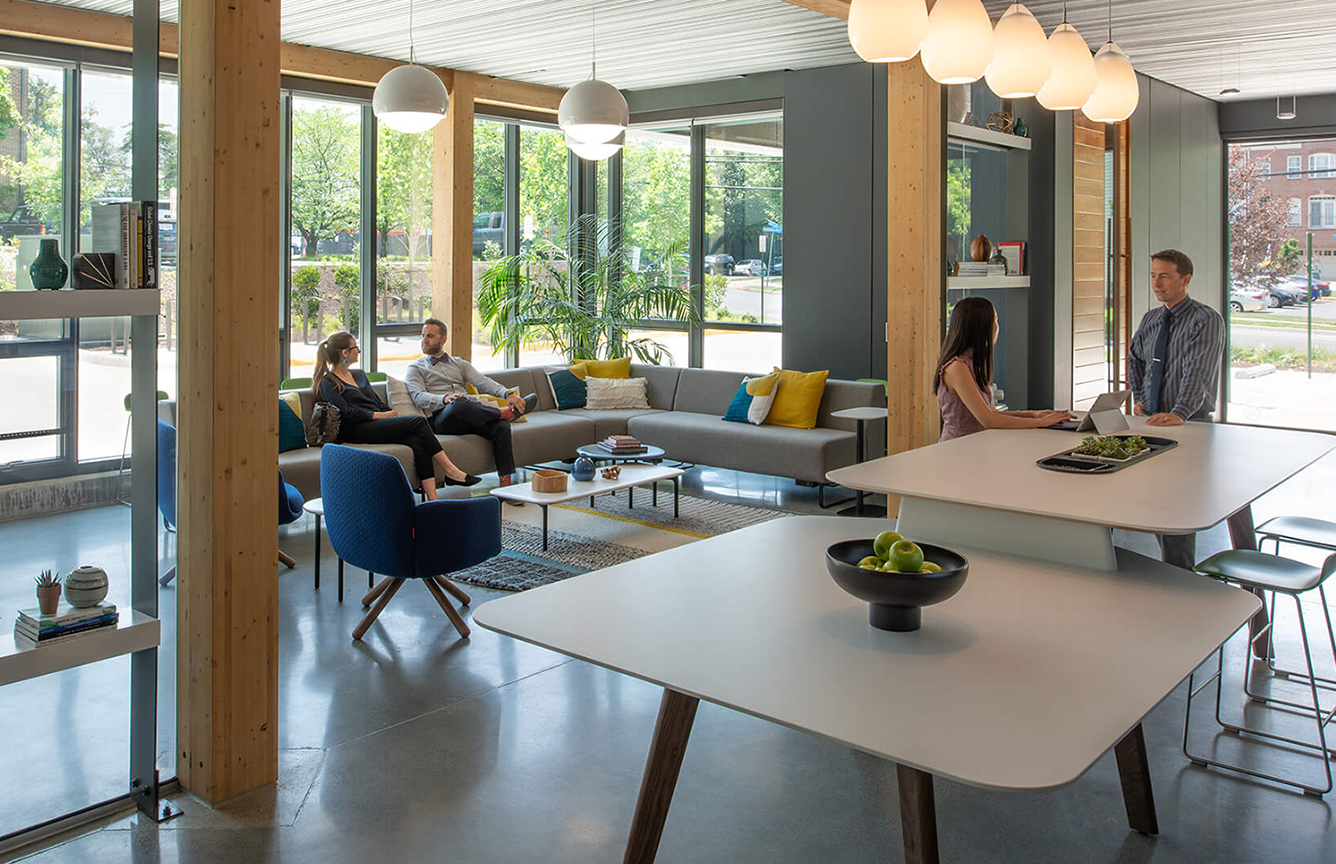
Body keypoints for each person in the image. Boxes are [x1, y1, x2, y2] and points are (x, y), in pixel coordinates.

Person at [311, 332, 480, 500]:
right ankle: (450, 470)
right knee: (418, 422)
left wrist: (390, 414)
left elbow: (376, 401)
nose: (359, 351)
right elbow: (347, 413)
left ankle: (432, 499)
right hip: (355, 429)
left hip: (375, 423)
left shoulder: (359, 375)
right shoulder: (329, 382)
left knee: (417, 440)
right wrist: (380, 416)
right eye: (356, 348)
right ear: (345, 353)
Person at [404, 318, 538, 487]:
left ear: (443, 339)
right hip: (440, 418)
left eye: (430, 336)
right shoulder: (415, 368)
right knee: (459, 402)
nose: (424, 340)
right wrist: (444, 398)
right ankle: (504, 414)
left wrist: (507, 393)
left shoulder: (459, 363)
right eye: (423, 335)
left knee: (501, 427)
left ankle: (506, 484)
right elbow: (418, 396)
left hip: (466, 415)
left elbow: (482, 381)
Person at [935, 297, 1072, 441]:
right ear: (982, 327)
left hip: (976, 445)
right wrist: (1040, 423)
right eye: (995, 320)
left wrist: (1033, 414)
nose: (997, 326)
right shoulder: (957, 368)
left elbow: (989, 413)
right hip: (957, 448)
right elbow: (988, 420)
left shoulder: (973, 363)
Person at [1127, 249, 1225, 426]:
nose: (1156, 284)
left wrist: (1180, 413)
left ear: (1185, 280)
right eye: (1153, 276)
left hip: (1189, 420)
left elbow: (1198, 371)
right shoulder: (1150, 318)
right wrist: (1140, 398)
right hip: (1149, 419)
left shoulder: (1205, 319)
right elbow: (1136, 361)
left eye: (1164, 277)